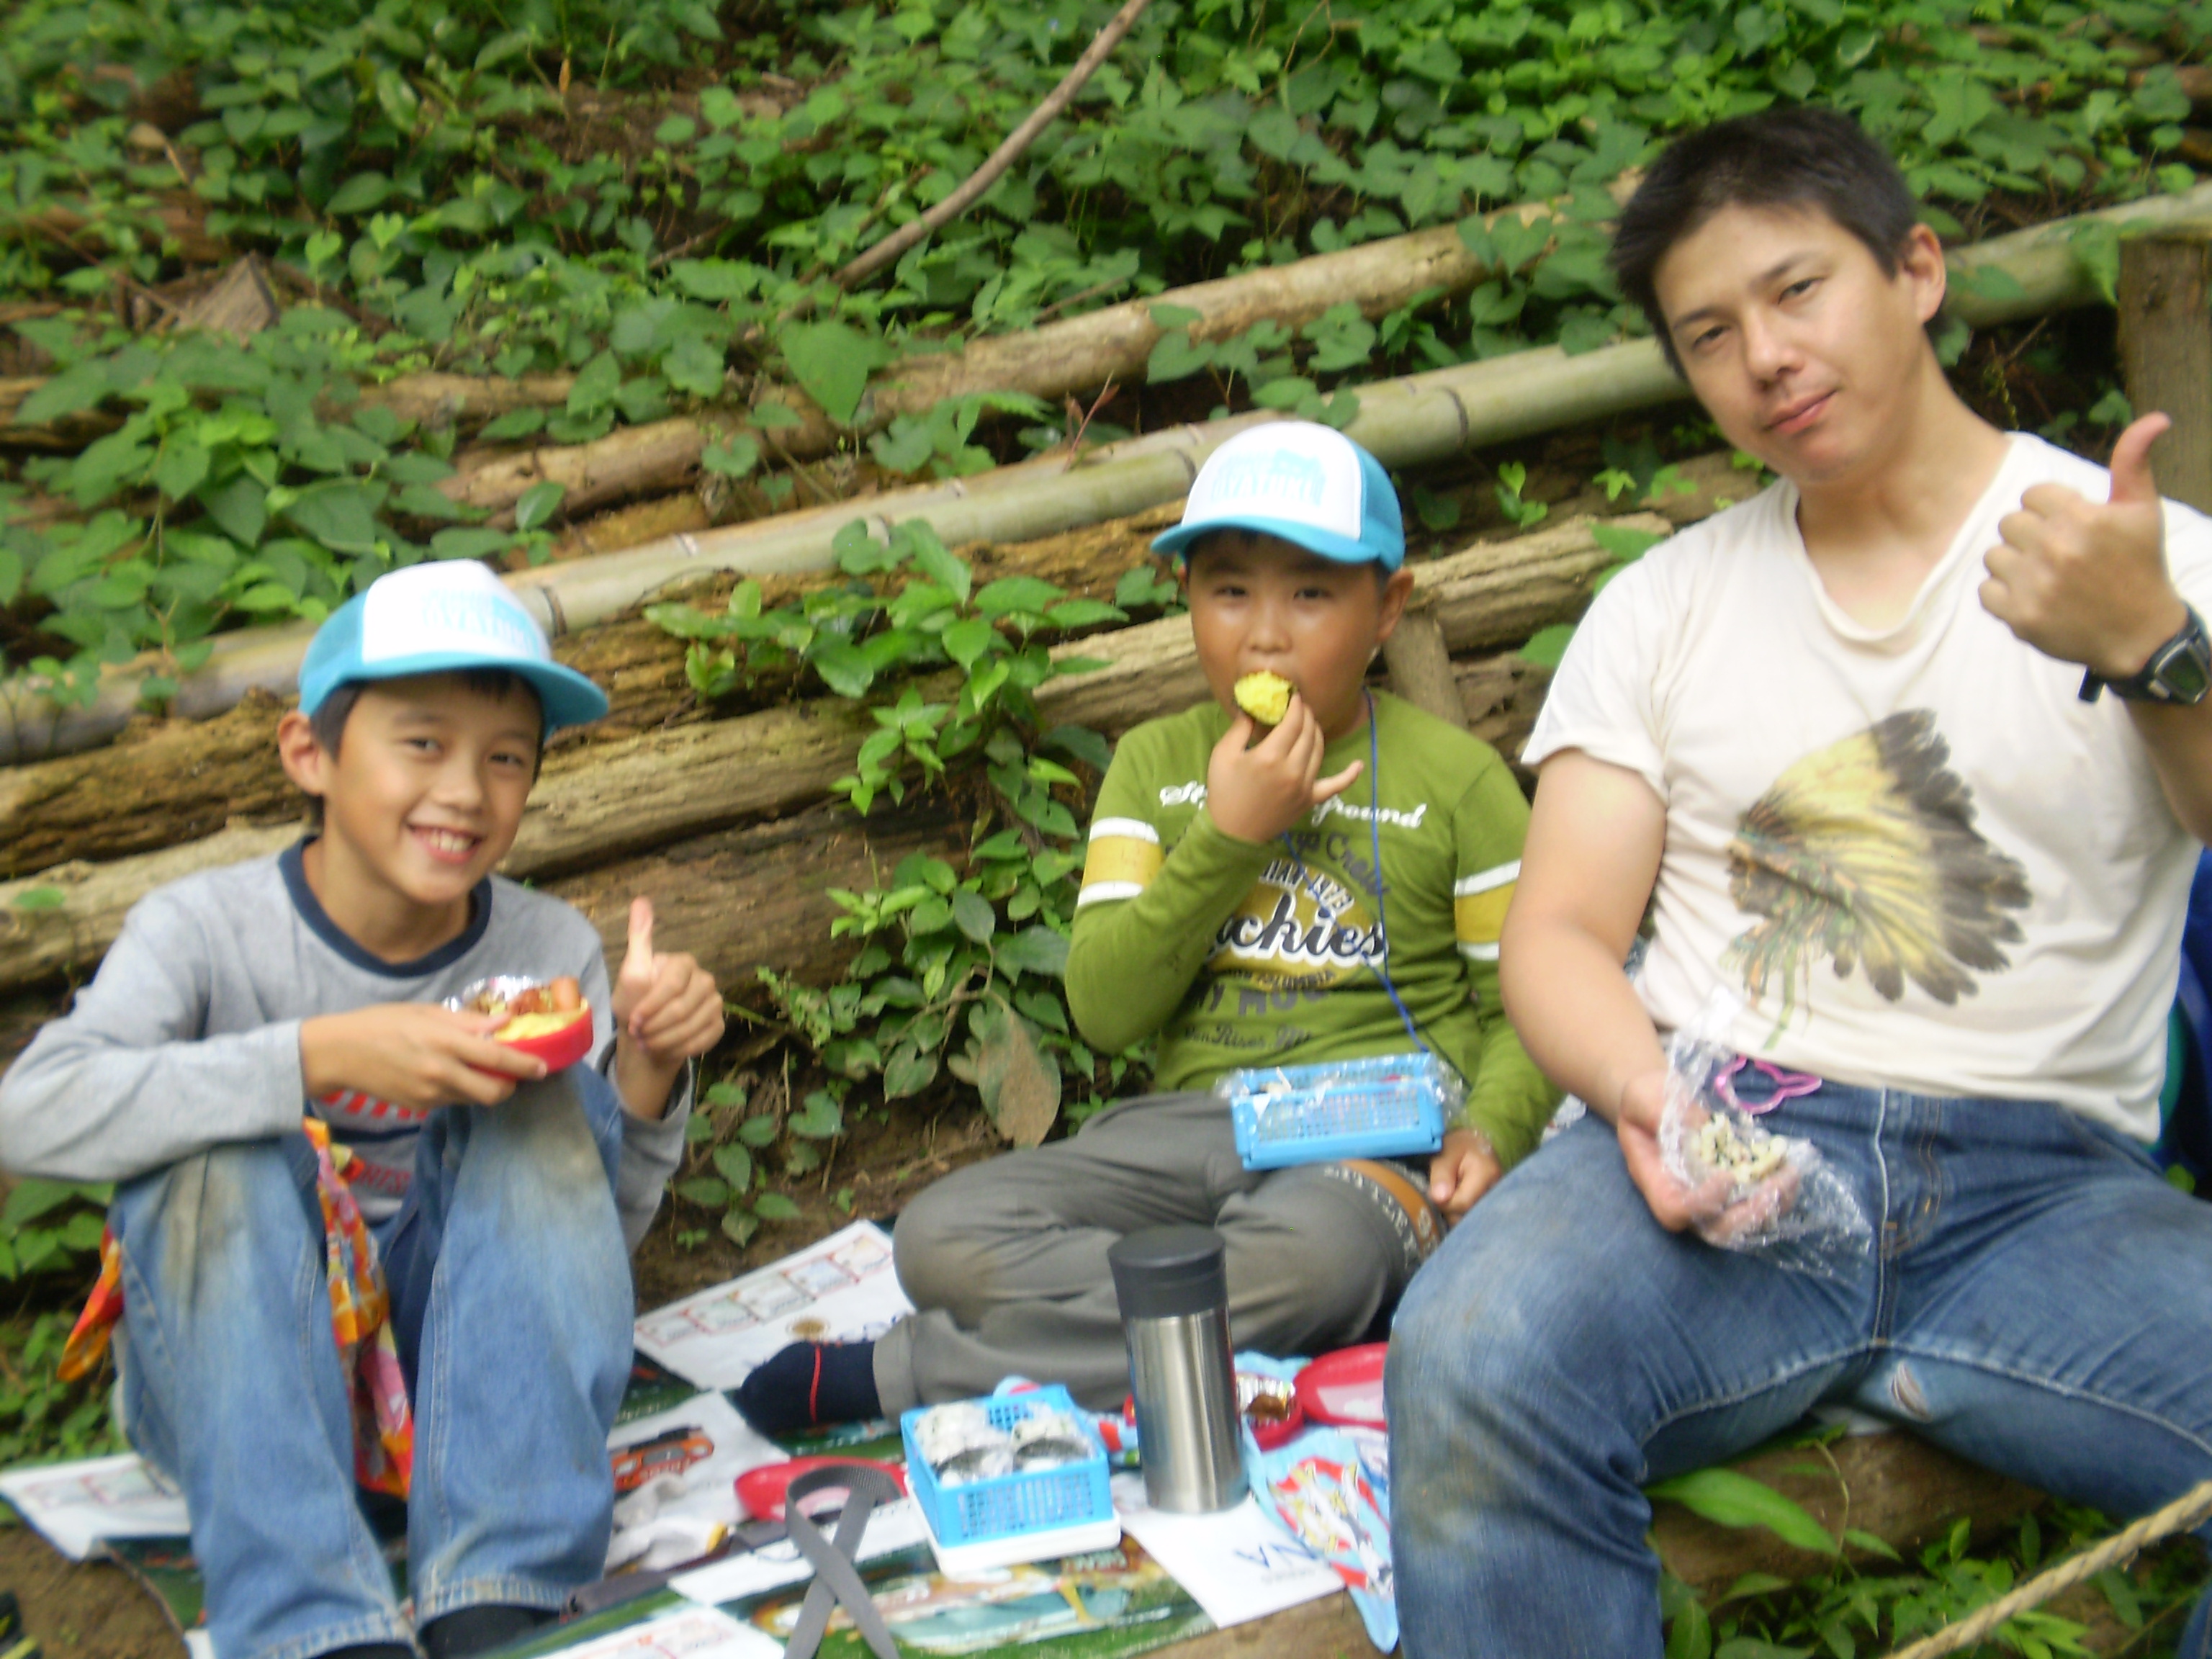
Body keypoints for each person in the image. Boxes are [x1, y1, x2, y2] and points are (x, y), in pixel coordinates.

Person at [1388, 105, 2212, 1658]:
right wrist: (1643, 1096)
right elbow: (1559, 932)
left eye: (1797, 289)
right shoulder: (1666, 605)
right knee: (1477, 1354)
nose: (1765, 357)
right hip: (1727, 1133)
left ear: (1917, 270)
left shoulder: (2152, 565)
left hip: (2047, 1197)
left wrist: (2153, 650)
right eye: (1710, 334)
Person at [734, 422, 1557, 1434]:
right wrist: (1229, 838)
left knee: (1315, 1261)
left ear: (1388, 607)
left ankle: (916, 1370)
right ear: (1186, 598)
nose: (1265, 635)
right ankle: (1247, 1317)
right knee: (941, 1239)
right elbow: (1105, 1010)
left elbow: (1531, 1004)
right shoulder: (1154, 766)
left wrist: (1492, 1127)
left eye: (1311, 594)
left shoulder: (1457, 782)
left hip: (1368, 1150)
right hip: (1182, 1137)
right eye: (1230, 591)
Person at [0, 561, 726, 1659]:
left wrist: (646, 1076)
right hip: (240, 1392)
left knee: (543, 1100)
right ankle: (313, 1628)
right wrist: (316, 1056)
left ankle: (503, 1590)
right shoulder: (201, 932)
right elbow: (29, 1112)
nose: (467, 792)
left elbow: (578, 1262)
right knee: (214, 1152)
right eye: (422, 743)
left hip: (461, 1398)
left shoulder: (547, 949)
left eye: (507, 758)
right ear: (311, 753)